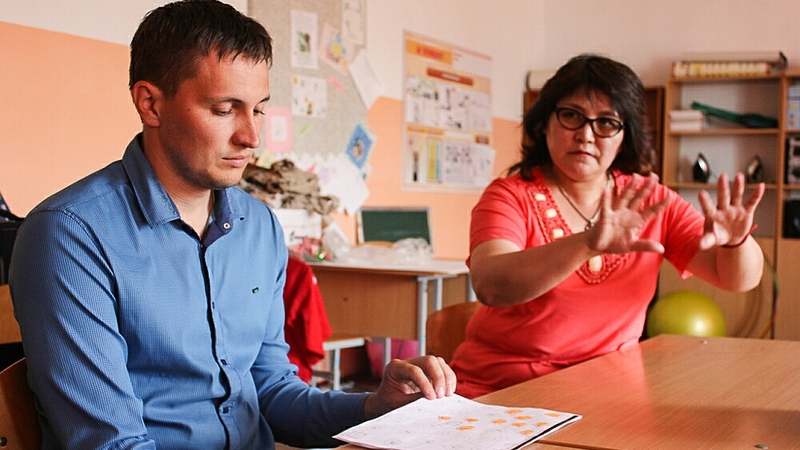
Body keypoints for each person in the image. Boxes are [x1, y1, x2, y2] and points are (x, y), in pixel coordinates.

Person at [9, 1, 455, 448]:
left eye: (258, 110)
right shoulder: (70, 235)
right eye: (225, 109)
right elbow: (110, 442)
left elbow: (271, 392)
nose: (251, 137)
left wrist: (374, 407)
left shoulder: (258, 225)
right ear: (151, 104)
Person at [450, 54, 765, 399]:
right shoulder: (510, 195)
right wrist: (586, 243)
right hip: (503, 391)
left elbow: (736, 279)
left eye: (606, 122)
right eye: (571, 116)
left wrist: (736, 242)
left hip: (607, 393)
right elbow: (491, 285)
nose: (586, 135)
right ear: (544, 124)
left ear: (624, 136)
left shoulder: (651, 200)